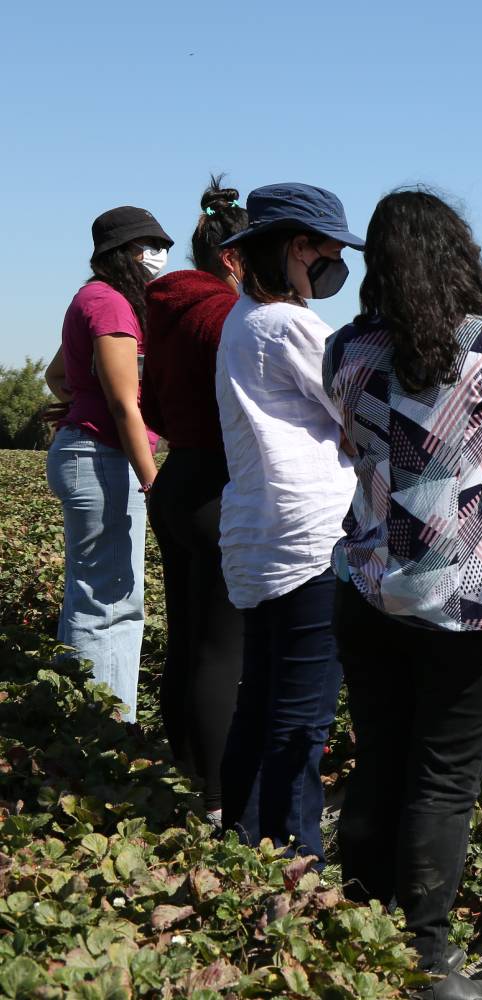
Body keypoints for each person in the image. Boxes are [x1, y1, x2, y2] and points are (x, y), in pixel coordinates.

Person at [326, 189, 482, 999]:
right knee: (443, 780)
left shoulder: (345, 350)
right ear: (460, 255)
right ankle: (430, 958)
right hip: (479, 594)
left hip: (373, 586)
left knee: (382, 759)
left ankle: (359, 926)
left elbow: (352, 446)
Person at [213, 183, 362, 861]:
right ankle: (294, 858)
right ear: (296, 247)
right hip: (309, 535)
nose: (333, 267)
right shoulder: (293, 326)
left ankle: (241, 840)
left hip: (257, 530)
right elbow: (361, 413)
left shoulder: (241, 321)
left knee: (262, 697)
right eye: (327, 253)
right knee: (302, 716)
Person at [140, 177, 247, 824]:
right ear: (237, 256)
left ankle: (184, 762)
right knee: (222, 649)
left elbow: (149, 402)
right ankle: (217, 798)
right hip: (220, 486)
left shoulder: (171, 307)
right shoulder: (227, 316)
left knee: (186, 635)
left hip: (176, 478)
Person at [44, 205, 172, 723]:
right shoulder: (113, 305)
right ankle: (103, 730)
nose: (159, 256)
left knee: (96, 597)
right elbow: (125, 406)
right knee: (109, 605)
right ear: (122, 253)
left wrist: (79, 406)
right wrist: (152, 480)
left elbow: (58, 376)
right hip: (103, 459)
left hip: (86, 452)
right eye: (149, 246)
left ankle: (75, 717)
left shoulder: (91, 298)